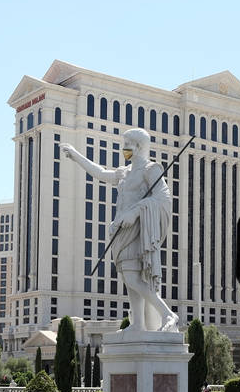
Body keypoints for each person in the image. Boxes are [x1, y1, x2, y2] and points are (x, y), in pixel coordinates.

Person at [60, 128, 179, 332]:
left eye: (127, 144)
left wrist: (135, 212)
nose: (123, 148)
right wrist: (76, 155)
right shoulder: (124, 172)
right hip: (121, 232)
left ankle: (168, 314)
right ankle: (138, 325)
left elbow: (163, 199)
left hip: (138, 232)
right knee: (129, 278)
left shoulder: (152, 169)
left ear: (139, 146)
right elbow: (100, 172)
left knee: (133, 278)